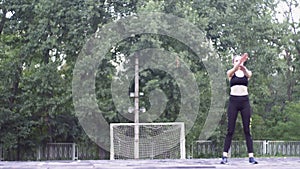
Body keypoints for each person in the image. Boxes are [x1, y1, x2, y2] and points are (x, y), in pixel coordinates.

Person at [220, 53, 258, 164]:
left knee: (247, 130)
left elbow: (248, 74)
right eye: (236, 60)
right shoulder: (230, 73)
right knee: (230, 130)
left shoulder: (247, 73)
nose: (238, 62)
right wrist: (238, 64)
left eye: (239, 60)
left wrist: (243, 66)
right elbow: (233, 70)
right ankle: (224, 156)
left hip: (244, 102)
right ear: (233, 62)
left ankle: (251, 156)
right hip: (233, 102)